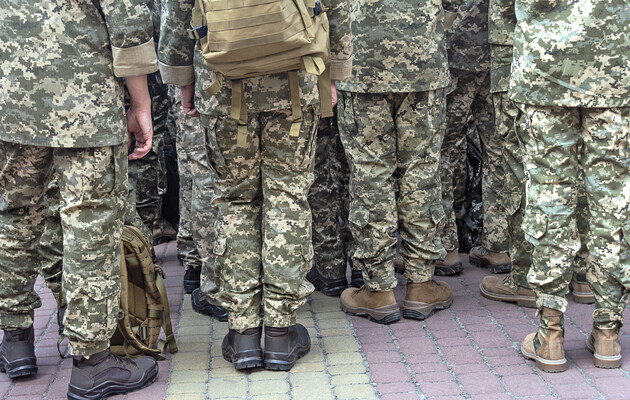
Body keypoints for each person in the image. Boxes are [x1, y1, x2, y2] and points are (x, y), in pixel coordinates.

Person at [158, 0, 353, 370]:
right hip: (295, 77)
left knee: (235, 202)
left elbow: (178, 10)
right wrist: (334, 72)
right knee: (288, 197)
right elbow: (335, 6)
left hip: (221, 81)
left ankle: (244, 333)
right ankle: (280, 332)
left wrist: (183, 79)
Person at [0, 1, 160, 397]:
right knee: (90, 222)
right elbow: (126, 18)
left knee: (15, 215)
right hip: (84, 96)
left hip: (10, 94)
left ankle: (15, 339)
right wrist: (141, 102)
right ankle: (92, 361)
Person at [510, 0, 630, 372]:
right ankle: (608, 332)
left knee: (550, 197)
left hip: (544, 67)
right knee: (612, 203)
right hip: (614, 66)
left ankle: (550, 335)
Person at [337, 0, 462, 324]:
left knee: (371, 175)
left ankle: (378, 290)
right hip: (423, 57)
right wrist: (431, 26)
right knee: (420, 172)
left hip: (361, 58)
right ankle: (421, 285)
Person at [480, 0, 594, 309]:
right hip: (588, 45)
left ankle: (527, 279)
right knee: (585, 158)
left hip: (522, 45)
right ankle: (584, 274)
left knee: (523, 161)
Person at [437, 0, 495, 276]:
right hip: (499, 49)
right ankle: (498, 244)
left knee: (443, 148)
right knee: (498, 150)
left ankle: (445, 247)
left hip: (457, 47)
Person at [306, 111, 363, 296]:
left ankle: (331, 270)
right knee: (356, 168)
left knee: (318, 172)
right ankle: (362, 267)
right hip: (353, 98)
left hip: (317, 99)